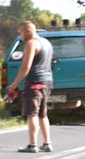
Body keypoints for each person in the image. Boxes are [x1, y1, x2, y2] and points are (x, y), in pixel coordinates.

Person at [6, 21, 54, 152]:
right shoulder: (46, 42)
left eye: (20, 32)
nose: (19, 35)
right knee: (43, 114)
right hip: (47, 81)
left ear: (28, 31)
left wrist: (15, 84)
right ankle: (47, 143)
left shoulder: (31, 43)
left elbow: (26, 66)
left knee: (32, 113)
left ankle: (32, 145)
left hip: (34, 82)